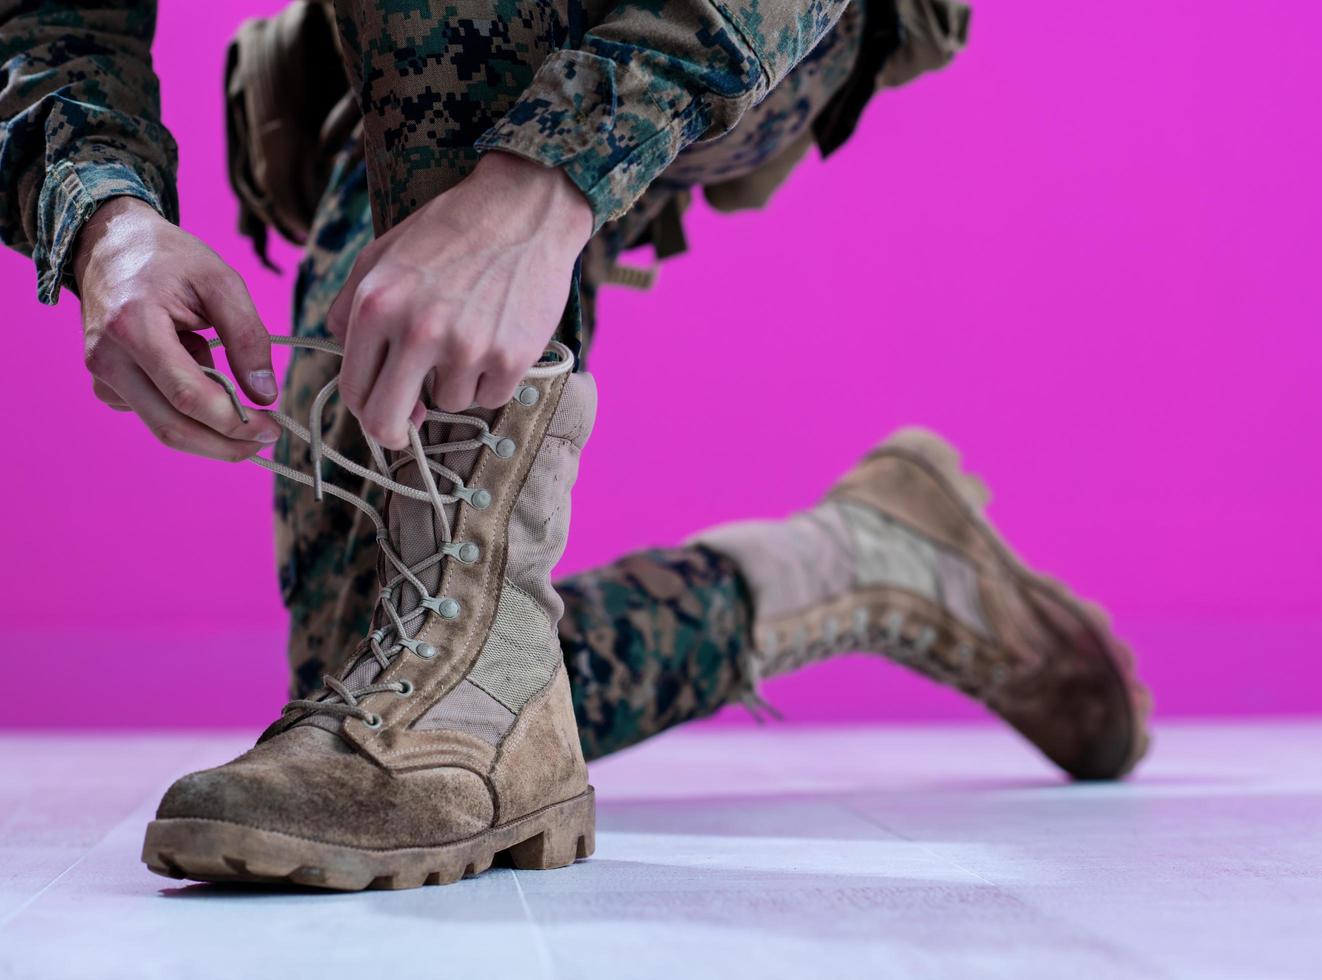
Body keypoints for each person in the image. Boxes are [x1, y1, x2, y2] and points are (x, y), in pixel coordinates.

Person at [0, 0, 1150, 891]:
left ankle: (482, 674)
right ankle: (863, 559)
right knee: (380, 682)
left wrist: (546, 183)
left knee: (436, 710)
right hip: (410, 63)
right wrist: (104, 212)